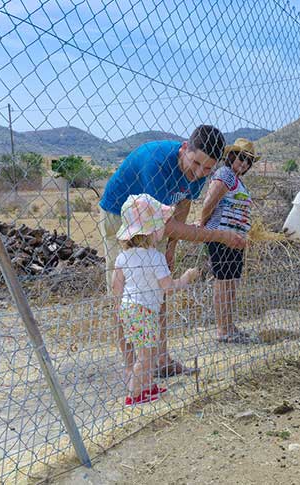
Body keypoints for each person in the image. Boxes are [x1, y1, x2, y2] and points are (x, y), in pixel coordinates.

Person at [99, 125, 246, 378]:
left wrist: (171, 248)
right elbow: (165, 225)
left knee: (158, 289)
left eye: (208, 168)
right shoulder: (156, 164)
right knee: (126, 293)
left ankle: (161, 359)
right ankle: (132, 368)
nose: (199, 172)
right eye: (196, 163)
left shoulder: (199, 172)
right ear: (184, 148)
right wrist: (219, 236)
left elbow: (183, 203)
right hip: (120, 218)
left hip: (152, 224)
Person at [112, 194, 199, 405]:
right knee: (146, 355)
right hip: (145, 311)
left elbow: (116, 287)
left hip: (128, 309)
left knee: (147, 351)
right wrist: (186, 278)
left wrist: (120, 308)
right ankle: (134, 394)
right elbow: (168, 287)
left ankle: (148, 386)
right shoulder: (155, 257)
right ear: (152, 230)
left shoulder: (123, 257)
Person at [198, 138, 258, 343]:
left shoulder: (237, 180)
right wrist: (202, 226)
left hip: (236, 239)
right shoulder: (224, 174)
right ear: (231, 156)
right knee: (223, 282)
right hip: (221, 236)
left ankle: (229, 326)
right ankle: (223, 330)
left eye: (248, 161)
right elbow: (210, 202)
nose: (244, 163)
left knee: (231, 283)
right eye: (241, 157)